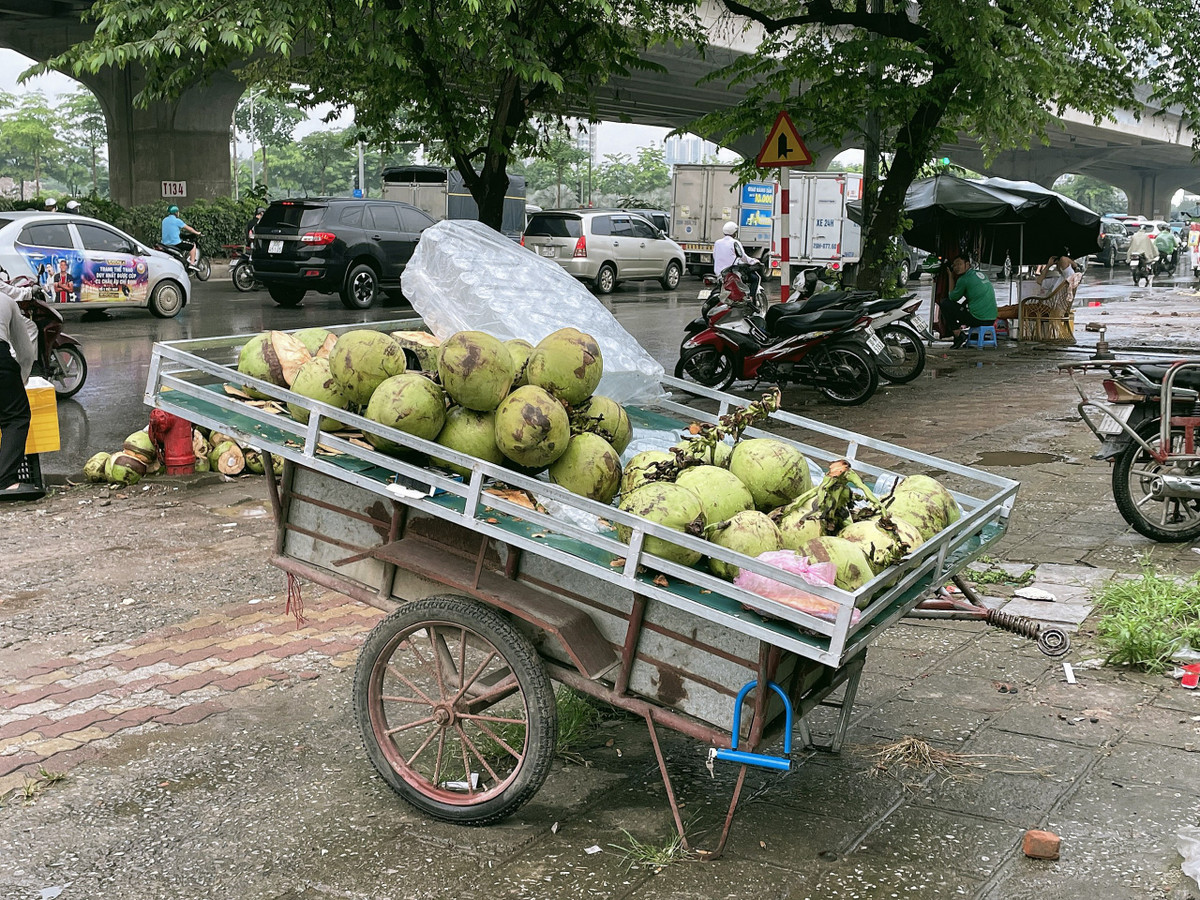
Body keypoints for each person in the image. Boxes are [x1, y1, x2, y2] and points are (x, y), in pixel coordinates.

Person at [0, 280, 37, 499]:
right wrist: (20, 381)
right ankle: (5, 481)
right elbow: (25, 353)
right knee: (16, 417)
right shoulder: (6, 300)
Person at [938, 254, 998, 348]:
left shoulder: (964, 279)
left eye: (959, 264)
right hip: (992, 319)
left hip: (978, 319)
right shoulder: (980, 274)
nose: (956, 267)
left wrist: (950, 276)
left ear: (967, 264)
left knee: (945, 303)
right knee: (961, 306)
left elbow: (952, 297)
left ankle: (958, 335)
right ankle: (967, 335)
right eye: (954, 265)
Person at [711, 221, 761, 301]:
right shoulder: (735, 242)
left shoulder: (717, 242)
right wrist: (754, 261)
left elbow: (715, 256)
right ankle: (751, 298)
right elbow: (743, 257)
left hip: (719, 273)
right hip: (731, 273)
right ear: (734, 232)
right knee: (755, 278)